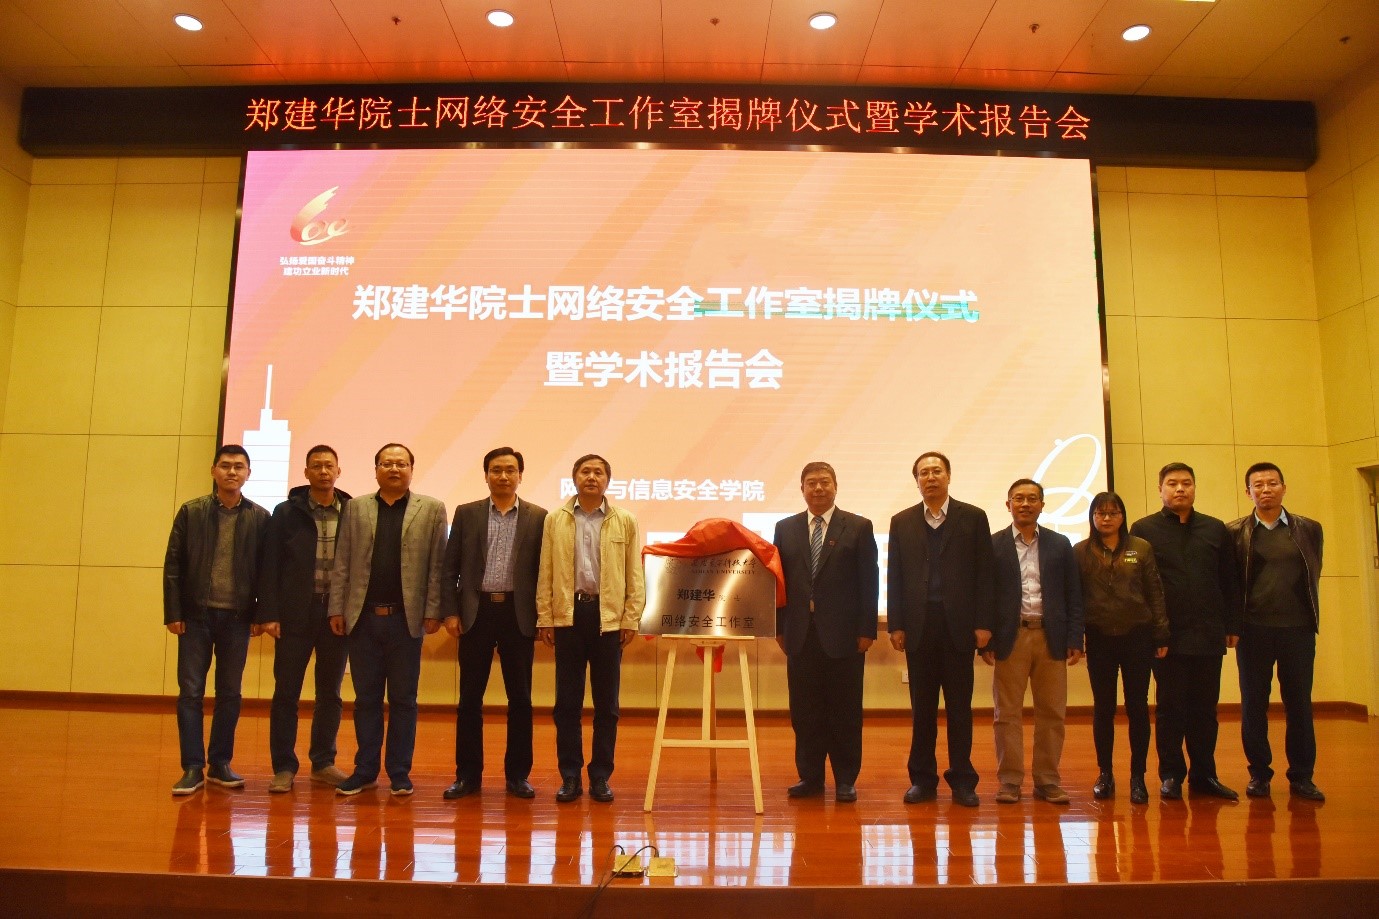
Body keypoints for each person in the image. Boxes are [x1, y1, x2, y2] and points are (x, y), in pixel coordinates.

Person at [328, 443, 448, 797]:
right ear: (376, 469)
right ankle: (365, 770)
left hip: (406, 621)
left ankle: (399, 772)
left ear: (411, 469)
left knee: (403, 700)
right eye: (387, 463)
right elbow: (343, 561)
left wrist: (433, 610)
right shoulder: (356, 507)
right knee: (365, 699)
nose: (394, 469)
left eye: (401, 463)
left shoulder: (432, 509)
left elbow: (437, 566)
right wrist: (337, 608)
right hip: (363, 619)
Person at [888, 451, 995, 807]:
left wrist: (984, 623)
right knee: (922, 710)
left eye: (937, 471)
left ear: (949, 476)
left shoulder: (973, 517)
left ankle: (963, 780)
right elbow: (895, 576)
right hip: (919, 627)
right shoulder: (902, 521)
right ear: (916, 480)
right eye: (924, 473)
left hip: (959, 628)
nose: (930, 477)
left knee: (960, 709)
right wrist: (896, 624)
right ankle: (922, 780)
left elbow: (985, 574)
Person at [440, 447, 548, 800]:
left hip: (518, 614)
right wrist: (451, 612)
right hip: (476, 613)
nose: (503, 476)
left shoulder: (538, 517)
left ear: (520, 475)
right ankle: (467, 776)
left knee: (521, 699)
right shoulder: (467, 513)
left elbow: (544, 572)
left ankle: (518, 776)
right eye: (496, 470)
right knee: (469, 699)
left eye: (510, 470)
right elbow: (450, 568)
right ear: (486, 475)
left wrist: (544, 616)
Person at [536, 454, 645, 804]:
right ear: (574, 478)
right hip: (569, 616)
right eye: (585, 471)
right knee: (567, 703)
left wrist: (630, 617)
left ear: (608, 481)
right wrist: (545, 617)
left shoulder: (624, 520)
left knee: (607, 705)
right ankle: (569, 776)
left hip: (608, 618)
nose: (592, 477)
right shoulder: (556, 519)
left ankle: (600, 776)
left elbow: (634, 573)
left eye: (599, 472)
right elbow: (546, 571)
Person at [163, 444, 270, 795]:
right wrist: (174, 612)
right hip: (195, 617)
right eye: (225, 466)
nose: (232, 472)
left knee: (230, 693)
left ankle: (220, 763)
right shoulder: (191, 512)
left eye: (239, 466)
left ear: (248, 474)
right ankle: (192, 767)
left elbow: (266, 573)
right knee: (190, 692)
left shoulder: (260, 518)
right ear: (213, 471)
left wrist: (261, 615)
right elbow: (173, 565)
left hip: (238, 619)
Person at [1130, 462, 1242, 801]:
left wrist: (1232, 624)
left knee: (1206, 710)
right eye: (1173, 483)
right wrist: (1152, 632)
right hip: (1167, 637)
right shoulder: (1144, 529)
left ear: (1194, 487)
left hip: (1208, 633)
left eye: (1187, 483)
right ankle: (1171, 775)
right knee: (1170, 709)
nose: (1180, 489)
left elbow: (1229, 580)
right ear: (1160, 490)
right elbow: (1140, 586)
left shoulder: (1215, 528)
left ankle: (1205, 775)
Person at [773, 461, 879, 803]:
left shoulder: (858, 526)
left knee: (845, 711)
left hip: (845, 636)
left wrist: (867, 629)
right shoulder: (785, 528)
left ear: (835, 486)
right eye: (811, 483)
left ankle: (846, 779)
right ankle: (810, 777)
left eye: (824, 482)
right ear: (802, 489)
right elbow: (778, 583)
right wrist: (779, 627)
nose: (818, 488)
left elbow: (869, 582)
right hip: (800, 634)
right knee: (805, 711)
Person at [1226, 462, 1325, 802]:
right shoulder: (1235, 532)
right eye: (1258, 485)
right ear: (1248, 492)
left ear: (1284, 487)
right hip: (1253, 631)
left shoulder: (1309, 529)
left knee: (1299, 704)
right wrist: (1232, 625)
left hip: (1298, 630)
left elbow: (1314, 573)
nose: (1265, 489)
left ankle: (1302, 776)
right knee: (1254, 704)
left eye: (1272, 483)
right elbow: (1231, 584)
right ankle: (1259, 774)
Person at [984, 479, 1084, 805]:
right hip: (1010, 637)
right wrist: (986, 640)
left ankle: (1047, 780)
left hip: (1050, 637)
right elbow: (983, 596)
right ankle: (1010, 781)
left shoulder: (1060, 544)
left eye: (1032, 499)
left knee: (1052, 713)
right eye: (1018, 498)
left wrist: (1075, 636)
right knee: (1006, 714)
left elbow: (1073, 594)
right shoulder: (993, 544)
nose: (1025, 504)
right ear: (1008, 505)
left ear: (1042, 504)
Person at [260, 445, 352, 793]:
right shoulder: (286, 512)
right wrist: (269, 613)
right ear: (306, 472)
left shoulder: (353, 511)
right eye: (316, 466)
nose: (323, 472)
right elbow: (270, 564)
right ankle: (284, 767)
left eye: (329, 466)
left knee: (330, 692)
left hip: (335, 615)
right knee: (286, 692)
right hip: (294, 615)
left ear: (339, 471)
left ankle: (323, 762)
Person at [1074, 491, 1169, 805]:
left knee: (1137, 708)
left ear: (1122, 516)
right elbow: (1075, 600)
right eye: (1100, 513)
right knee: (1103, 708)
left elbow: (1155, 592)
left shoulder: (1140, 548)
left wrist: (1161, 634)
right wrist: (1076, 638)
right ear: (1092, 517)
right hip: (1099, 637)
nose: (1106, 518)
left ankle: (1138, 777)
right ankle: (1105, 774)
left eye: (1113, 513)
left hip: (1138, 637)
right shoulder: (1080, 551)